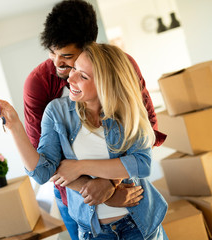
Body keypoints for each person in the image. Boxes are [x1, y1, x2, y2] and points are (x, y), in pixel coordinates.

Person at [0, 42, 168, 239]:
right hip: (94, 232)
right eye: (74, 69)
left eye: (83, 76)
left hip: (141, 225)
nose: (70, 79)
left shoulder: (128, 112)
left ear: (104, 85)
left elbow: (142, 164)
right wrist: (14, 126)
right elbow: (42, 172)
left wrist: (80, 167)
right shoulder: (57, 112)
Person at [23, 0, 166, 238]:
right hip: (73, 192)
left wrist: (111, 184)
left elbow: (145, 132)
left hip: (126, 184)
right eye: (51, 52)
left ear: (89, 47)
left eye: (66, 56)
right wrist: (95, 191)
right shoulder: (38, 83)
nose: (57, 63)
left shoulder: (122, 66)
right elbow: (44, 160)